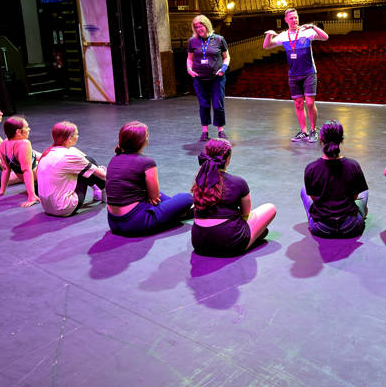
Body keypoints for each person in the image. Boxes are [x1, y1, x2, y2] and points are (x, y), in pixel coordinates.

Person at [106, 121, 193, 236]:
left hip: (113, 222)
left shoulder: (114, 159)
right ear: (143, 141)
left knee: (150, 192)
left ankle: (177, 210)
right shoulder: (146, 162)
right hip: (135, 223)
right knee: (186, 198)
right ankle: (180, 212)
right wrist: (150, 196)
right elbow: (155, 197)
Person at [191, 138, 276, 255]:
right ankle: (250, 237)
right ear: (228, 159)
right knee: (270, 208)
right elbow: (245, 214)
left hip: (199, 243)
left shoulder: (199, 180)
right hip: (229, 244)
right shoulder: (238, 182)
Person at [263, 8, 329, 142]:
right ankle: (303, 131)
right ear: (286, 20)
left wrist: (313, 27)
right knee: (298, 104)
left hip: (309, 72)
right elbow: (266, 46)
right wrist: (269, 35)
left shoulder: (306, 32)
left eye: (296, 17)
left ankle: (313, 130)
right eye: (291, 18)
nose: (294, 20)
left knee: (310, 103)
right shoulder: (283, 35)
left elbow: (325, 37)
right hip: (293, 75)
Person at [301, 120, 369, 238]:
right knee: (364, 191)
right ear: (342, 139)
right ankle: (361, 214)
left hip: (321, 228)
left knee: (304, 190)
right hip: (351, 227)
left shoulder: (311, 168)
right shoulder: (353, 166)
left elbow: (314, 197)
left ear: (321, 139)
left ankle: (313, 217)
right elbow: (355, 197)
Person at [37, 121, 107, 217]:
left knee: (85, 165)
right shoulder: (69, 156)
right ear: (69, 137)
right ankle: (104, 190)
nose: (78, 136)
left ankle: (98, 189)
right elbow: (103, 176)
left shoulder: (48, 152)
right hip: (63, 208)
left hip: (47, 207)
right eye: (77, 134)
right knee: (88, 163)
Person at [187, 14, 230, 142]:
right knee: (204, 105)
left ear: (206, 25)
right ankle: (204, 131)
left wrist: (223, 69)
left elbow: (226, 56)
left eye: (201, 26)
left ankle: (220, 130)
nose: (199, 29)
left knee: (218, 105)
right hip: (199, 79)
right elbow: (189, 59)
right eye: (196, 27)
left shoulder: (219, 39)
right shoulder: (192, 41)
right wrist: (189, 69)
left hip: (216, 78)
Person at [0, 116, 40, 207]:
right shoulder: (24, 143)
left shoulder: (3, 144)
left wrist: (2, 190)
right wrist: (31, 195)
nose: (29, 129)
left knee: (41, 155)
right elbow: (26, 170)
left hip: (37, 183)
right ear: (18, 132)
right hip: (43, 183)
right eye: (26, 127)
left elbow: (6, 170)